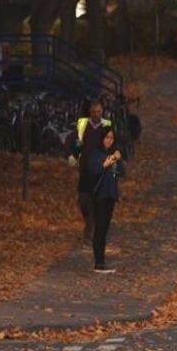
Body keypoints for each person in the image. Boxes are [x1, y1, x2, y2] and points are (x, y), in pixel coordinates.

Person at [72, 98, 114, 242]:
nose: (96, 114)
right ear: (89, 111)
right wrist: (73, 155)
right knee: (84, 198)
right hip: (85, 166)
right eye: (93, 111)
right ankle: (90, 221)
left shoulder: (107, 125)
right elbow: (77, 142)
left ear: (102, 111)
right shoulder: (83, 125)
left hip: (101, 167)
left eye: (98, 111)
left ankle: (92, 227)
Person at [89, 126, 124, 273]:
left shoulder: (113, 153)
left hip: (110, 195)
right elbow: (95, 169)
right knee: (100, 228)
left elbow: (121, 171)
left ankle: (101, 260)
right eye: (107, 138)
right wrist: (106, 163)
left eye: (111, 138)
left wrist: (118, 160)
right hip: (99, 195)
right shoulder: (96, 153)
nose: (109, 141)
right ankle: (99, 261)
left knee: (105, 228)